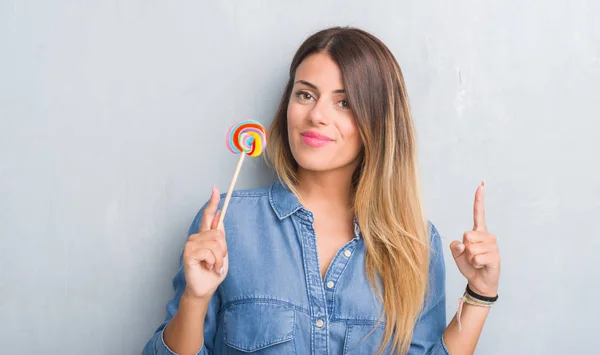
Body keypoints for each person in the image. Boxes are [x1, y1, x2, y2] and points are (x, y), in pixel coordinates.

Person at [142, 26, 501, 355]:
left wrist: (479, 294)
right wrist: (195, 297)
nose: (317, 115)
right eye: (305, 95)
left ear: (377, 121)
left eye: (343, 102)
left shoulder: (416, 245)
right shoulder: (228, 223)